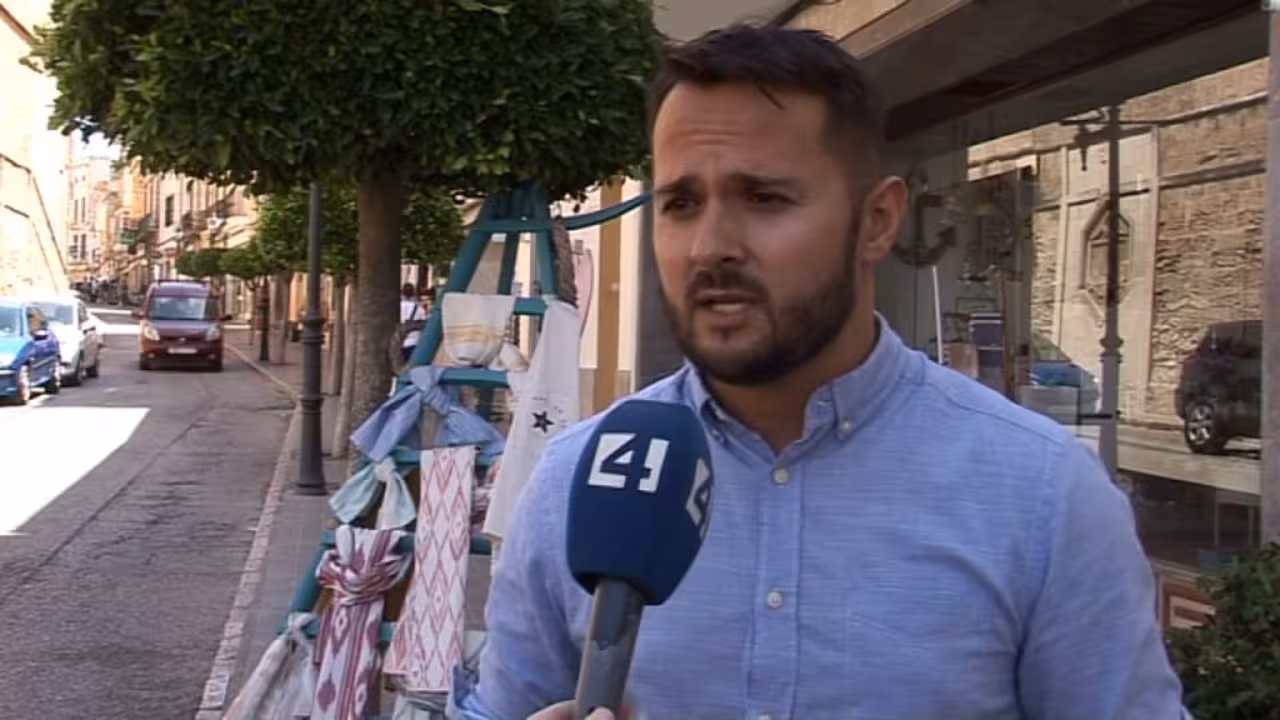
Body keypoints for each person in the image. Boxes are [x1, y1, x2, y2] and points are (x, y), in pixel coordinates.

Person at [454, 24, 1187, 720]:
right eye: (681, 202)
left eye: (763, 198)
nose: (709, 246)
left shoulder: (1044, 495)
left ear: (877, 221)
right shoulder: (575, 481)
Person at [399, 282, 425, 362]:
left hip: (399, 341)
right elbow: (423, 324)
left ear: (402, 293)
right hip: (414, 341)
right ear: (413, 294)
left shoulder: (397, 307)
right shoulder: (419, 308)